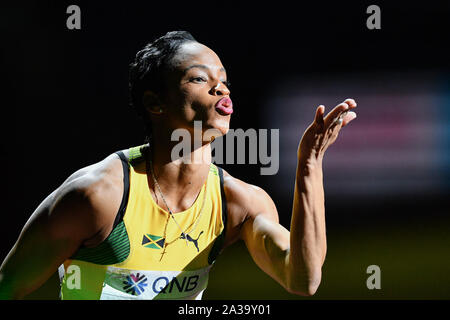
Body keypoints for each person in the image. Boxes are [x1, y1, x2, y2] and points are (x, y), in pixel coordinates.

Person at [0, 31, 357, 300]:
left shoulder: (238, 203)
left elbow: (303, 279)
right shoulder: (96, 197)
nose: (221, 89)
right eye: (200, 79)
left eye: (224, 81)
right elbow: (8, 287)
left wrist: (309, 166)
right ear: (156, 103)